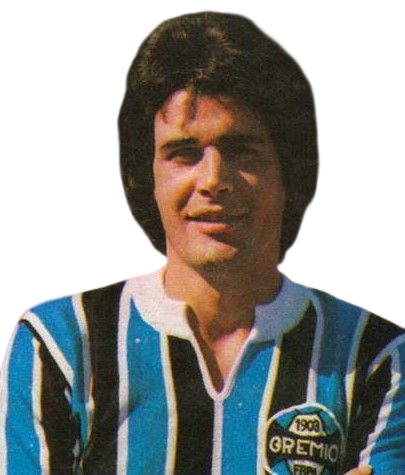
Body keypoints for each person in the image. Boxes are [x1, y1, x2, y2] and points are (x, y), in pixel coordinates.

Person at [1, 10, 404, 475]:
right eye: (184, 153)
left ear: (288, 171)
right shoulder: (60, 346)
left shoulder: (376, 357)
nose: (213, 180)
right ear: (147, 175)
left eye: (242, 150)